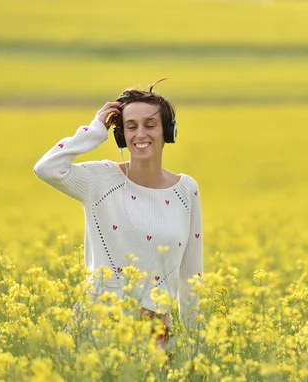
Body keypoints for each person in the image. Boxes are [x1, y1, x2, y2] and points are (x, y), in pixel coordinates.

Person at [33, 79, 203, 347]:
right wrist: (94, 130)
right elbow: (46, 169)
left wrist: (196, 344)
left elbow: (192, 277)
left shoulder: (186, 190)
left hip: (155, 336)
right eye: (130, 126)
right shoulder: (101, 179)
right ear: (120, 133)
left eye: (150, 125)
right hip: (98, 327)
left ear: (168, 132)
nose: (140, 134)